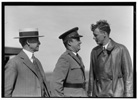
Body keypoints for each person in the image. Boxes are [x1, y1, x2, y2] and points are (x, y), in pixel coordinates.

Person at [87, 20, 133, 97]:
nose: (93, 38)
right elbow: (92, 76)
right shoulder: (94, 51)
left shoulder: (121, 49)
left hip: (116, 95)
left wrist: (128, 96)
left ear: (104, 34)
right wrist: (90, 94)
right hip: (98, 95)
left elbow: (128, 77)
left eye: (95, 35)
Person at [4, 28, 51, 97]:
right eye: (36, 40)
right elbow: (6, 93)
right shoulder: (13, 63)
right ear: (28, 42)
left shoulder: (37, 62)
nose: (39, 43)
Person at [50, 27, 87, 97]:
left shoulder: (78, 58)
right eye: (77, 39)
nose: (80, 42)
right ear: (69, 42)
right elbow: (55, 84)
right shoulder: (65, 58)